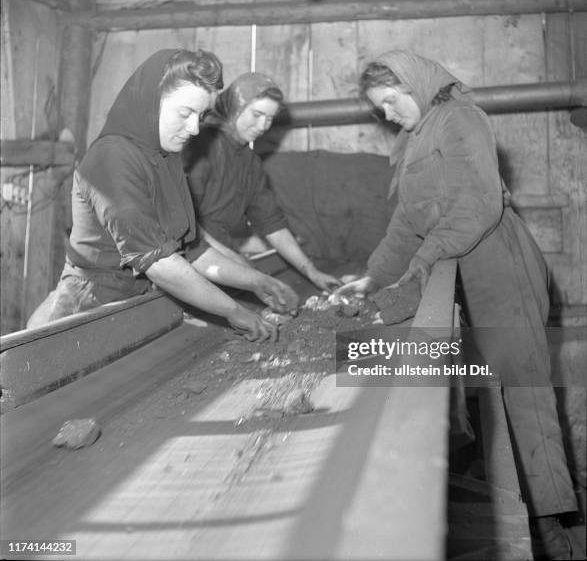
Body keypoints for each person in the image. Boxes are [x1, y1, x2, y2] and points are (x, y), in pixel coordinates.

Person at [335, 50, 577, 559]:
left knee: (521, 386)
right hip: (458, 265)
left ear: (411, 83)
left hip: (498, 260)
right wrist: (371, 279)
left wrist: (422, 264)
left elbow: (478, 204)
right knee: (484, 394)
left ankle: (550, 525)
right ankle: (511, 507)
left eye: (389, 101)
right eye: (379, 108)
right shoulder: (414, 138)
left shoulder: (460, 118)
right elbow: (406, 223)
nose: (387, 114)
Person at [27, 49, 299, 341]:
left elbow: (191, 252)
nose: (195, 128)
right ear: (151, 103)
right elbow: (160, 264)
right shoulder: (113, 157)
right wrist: (233, 310)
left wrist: (256, 281)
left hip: (134, 301)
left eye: (201, 115)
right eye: (185, 113)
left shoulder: (165, 158)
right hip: (87, 308)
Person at [183, 72, 341, 293]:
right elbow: (183, 220)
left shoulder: (251, 163)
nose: (264, 125)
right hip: (187, 261)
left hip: (218, 259)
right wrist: (233, 260)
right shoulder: (201, 146)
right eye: (257, 114)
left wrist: (311, 271)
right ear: (235, 106)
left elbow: (272, 224)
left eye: (270, 118)